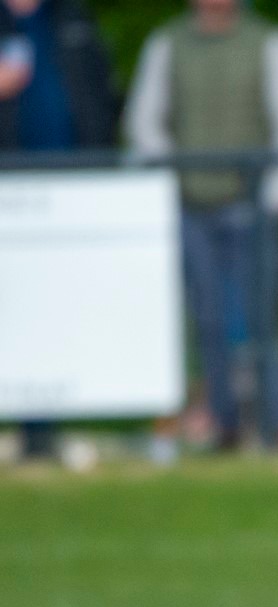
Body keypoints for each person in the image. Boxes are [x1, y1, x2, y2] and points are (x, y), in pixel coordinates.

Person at [123, 0, 278, 452]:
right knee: (208, 318)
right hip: (190, 205)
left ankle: (275, 422)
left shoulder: (270, 42)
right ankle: (223, 423)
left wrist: (276, 193)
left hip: (251, 202)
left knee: (259, 315)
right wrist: (172, 178)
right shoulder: (167, 43)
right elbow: (144, 121)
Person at [0, 0, 118, 460]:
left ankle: (44, 430)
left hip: (71, 194)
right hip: (8, 192)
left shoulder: (72, 19)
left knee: (56, 308)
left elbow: (101, 96)